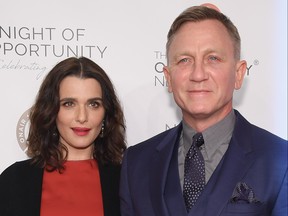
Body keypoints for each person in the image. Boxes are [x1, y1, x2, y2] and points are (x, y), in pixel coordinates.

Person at [119, 4, 287, 216]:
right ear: (169, 78)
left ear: (238, 73)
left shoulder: (281, 161)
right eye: (185, 60)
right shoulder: (136, 163)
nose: (198, 74)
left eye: (213, 58)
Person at [0, 57, 126, 216]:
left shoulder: (124, 182)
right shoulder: (15, 180)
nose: (82, 117)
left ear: (106, 113)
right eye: (69, 104)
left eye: (93, 104)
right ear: (51, 110)